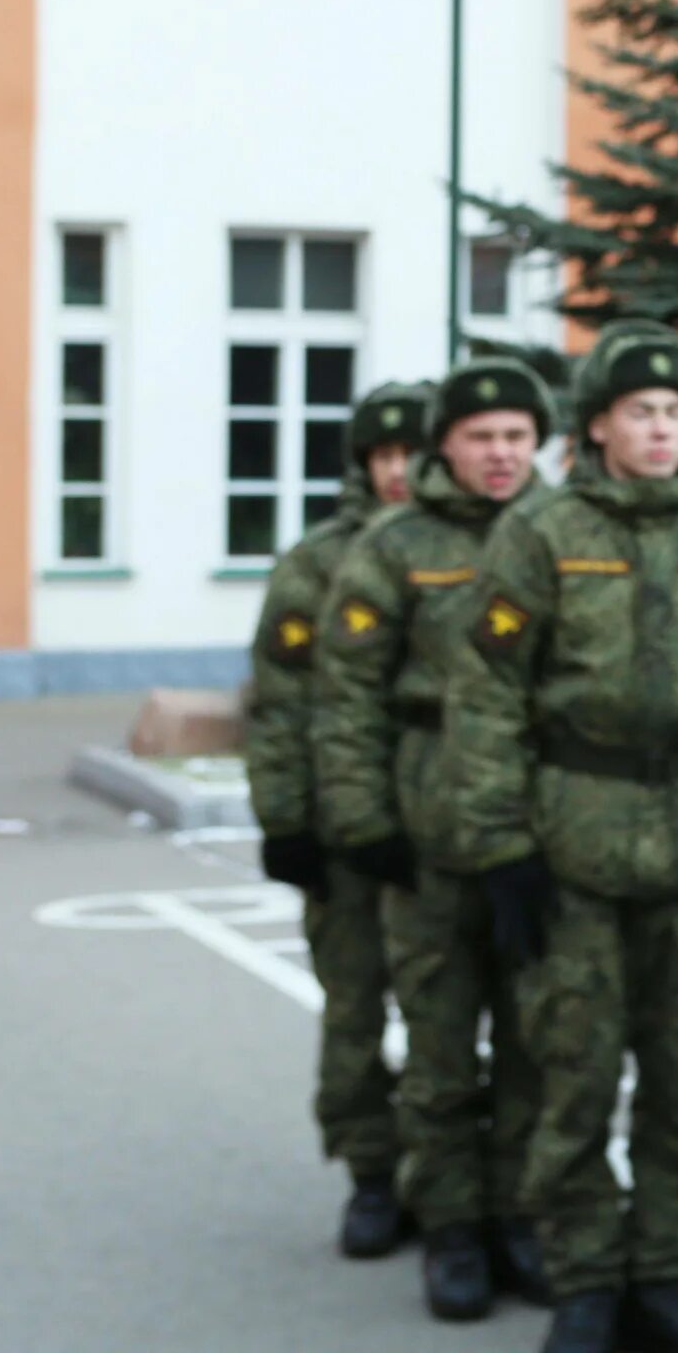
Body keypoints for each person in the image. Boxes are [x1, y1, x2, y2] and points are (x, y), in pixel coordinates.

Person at [450, 329, 678, 1353]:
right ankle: (588, 1276)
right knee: (574, 1077)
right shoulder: (541, 532)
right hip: (574, 851)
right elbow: (485, 696)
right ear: (597, 423)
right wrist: (501, 844)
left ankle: (664, 1272)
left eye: (676, 412)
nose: (660, 427)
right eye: (640, 410)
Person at [313, 358, 558, 1321]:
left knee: (538, 1039)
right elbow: (345, 698)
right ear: (443, 446)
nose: (500, 455)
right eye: (480, 437)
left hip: (538, 825)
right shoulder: (395, 544)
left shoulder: (562, 532)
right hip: (424, 827)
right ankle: (451, 1226)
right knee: (443, 1040)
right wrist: (363, 820)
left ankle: (518, 1217)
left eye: (516, 436)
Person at [244, 378, 429, 1262]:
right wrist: (286, 821)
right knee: (355, 1009)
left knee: (447, 1015)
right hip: (339, 830)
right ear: (361, 462)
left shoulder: (466, 549)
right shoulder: (314, 565)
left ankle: (447, 1177)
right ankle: (368, 1170)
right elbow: (278, 706)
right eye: (382, 455)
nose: (399, 470)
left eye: (412, 452)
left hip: (435, 824)